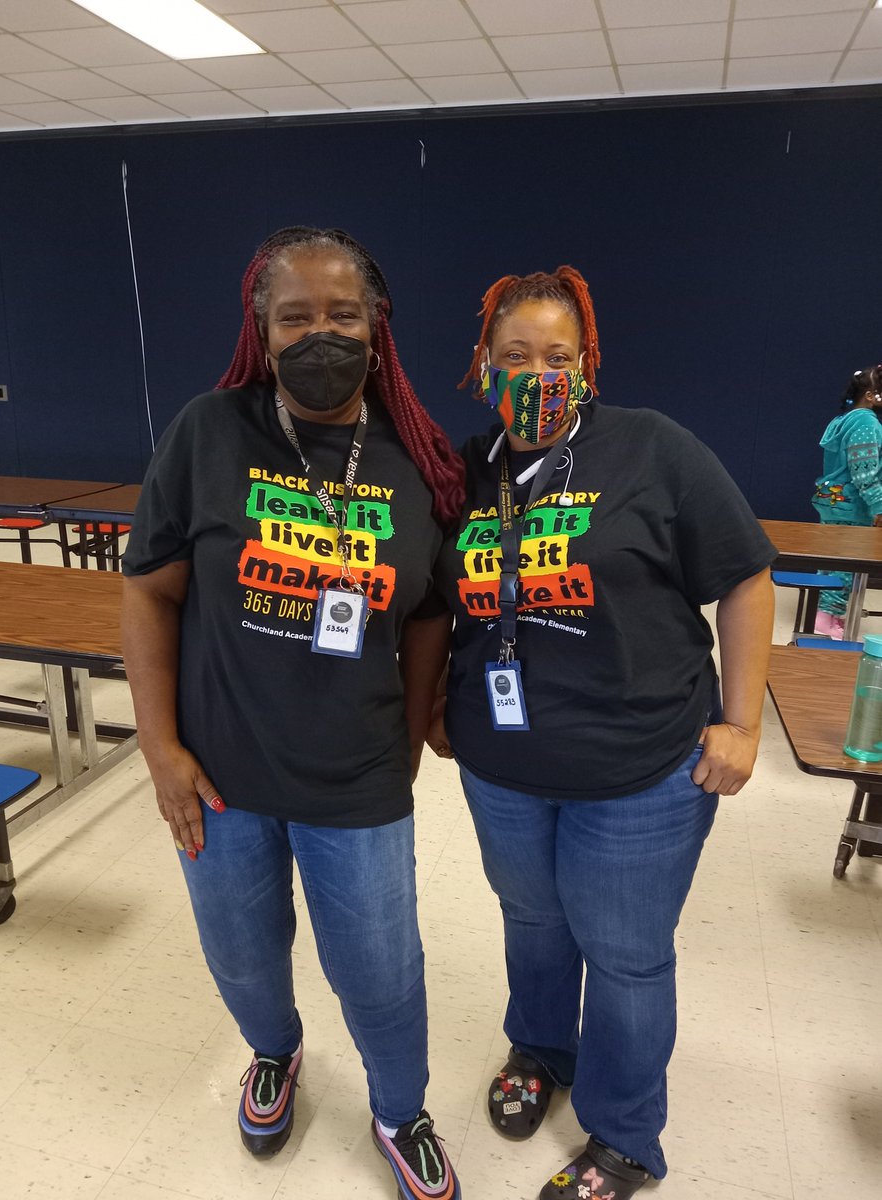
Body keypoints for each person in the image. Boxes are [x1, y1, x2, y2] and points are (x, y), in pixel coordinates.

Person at [121, 226, 463, 1200]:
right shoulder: (211, 431)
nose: (321, 334)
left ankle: (401, 1111)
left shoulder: (418, 462)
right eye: (295, 317)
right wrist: (159, 751)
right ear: (261, 331)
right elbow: (148, 590)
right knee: (240, 951)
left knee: (381, 972)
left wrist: (404, 744)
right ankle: (275, 1051)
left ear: (378, 328)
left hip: (354, 780)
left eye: (342, 315)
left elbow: (433, 611)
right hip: (219, 777)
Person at [428, 266, 775, 1200]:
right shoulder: (468, 467)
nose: (537, 374)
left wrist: (741, 723)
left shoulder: (653, 449)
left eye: (559, 357)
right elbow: (443, 602)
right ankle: (541, 1049)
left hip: (640, 768)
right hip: (503, 764)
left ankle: (626, 1139)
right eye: (515, 356)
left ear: (587, 365)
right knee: (534, 921)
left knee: (623, 955)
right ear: (481, 363)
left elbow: (745, 576)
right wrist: (435, 706)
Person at [811, 365, 882, 639]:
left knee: (829, 560)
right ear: (869, 394)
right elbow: (864, 471)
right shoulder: (867, 424)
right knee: (845, 566)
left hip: (832, 501)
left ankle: (823, 615)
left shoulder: (843, 420)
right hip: (853, 506)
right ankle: (827, 620)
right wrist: (878, 507)